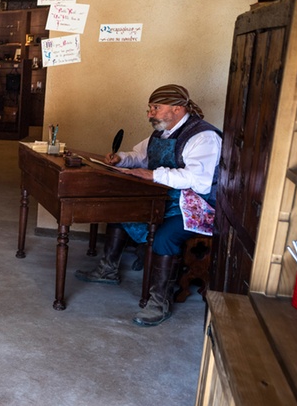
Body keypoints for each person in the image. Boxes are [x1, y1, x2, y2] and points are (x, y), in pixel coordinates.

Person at [74, 84, 223, 326]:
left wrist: (153, 175)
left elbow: (200, 182)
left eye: (155, 108)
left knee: (165, 237)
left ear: (177, 109)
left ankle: (159, 302)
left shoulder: (203, 137)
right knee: (121, 209)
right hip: (165, 197)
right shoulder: (161, 134)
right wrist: (121, 158)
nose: (150, 114)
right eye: (149, 108)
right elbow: (141, 156)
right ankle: (107, 270)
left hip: (197, 206)